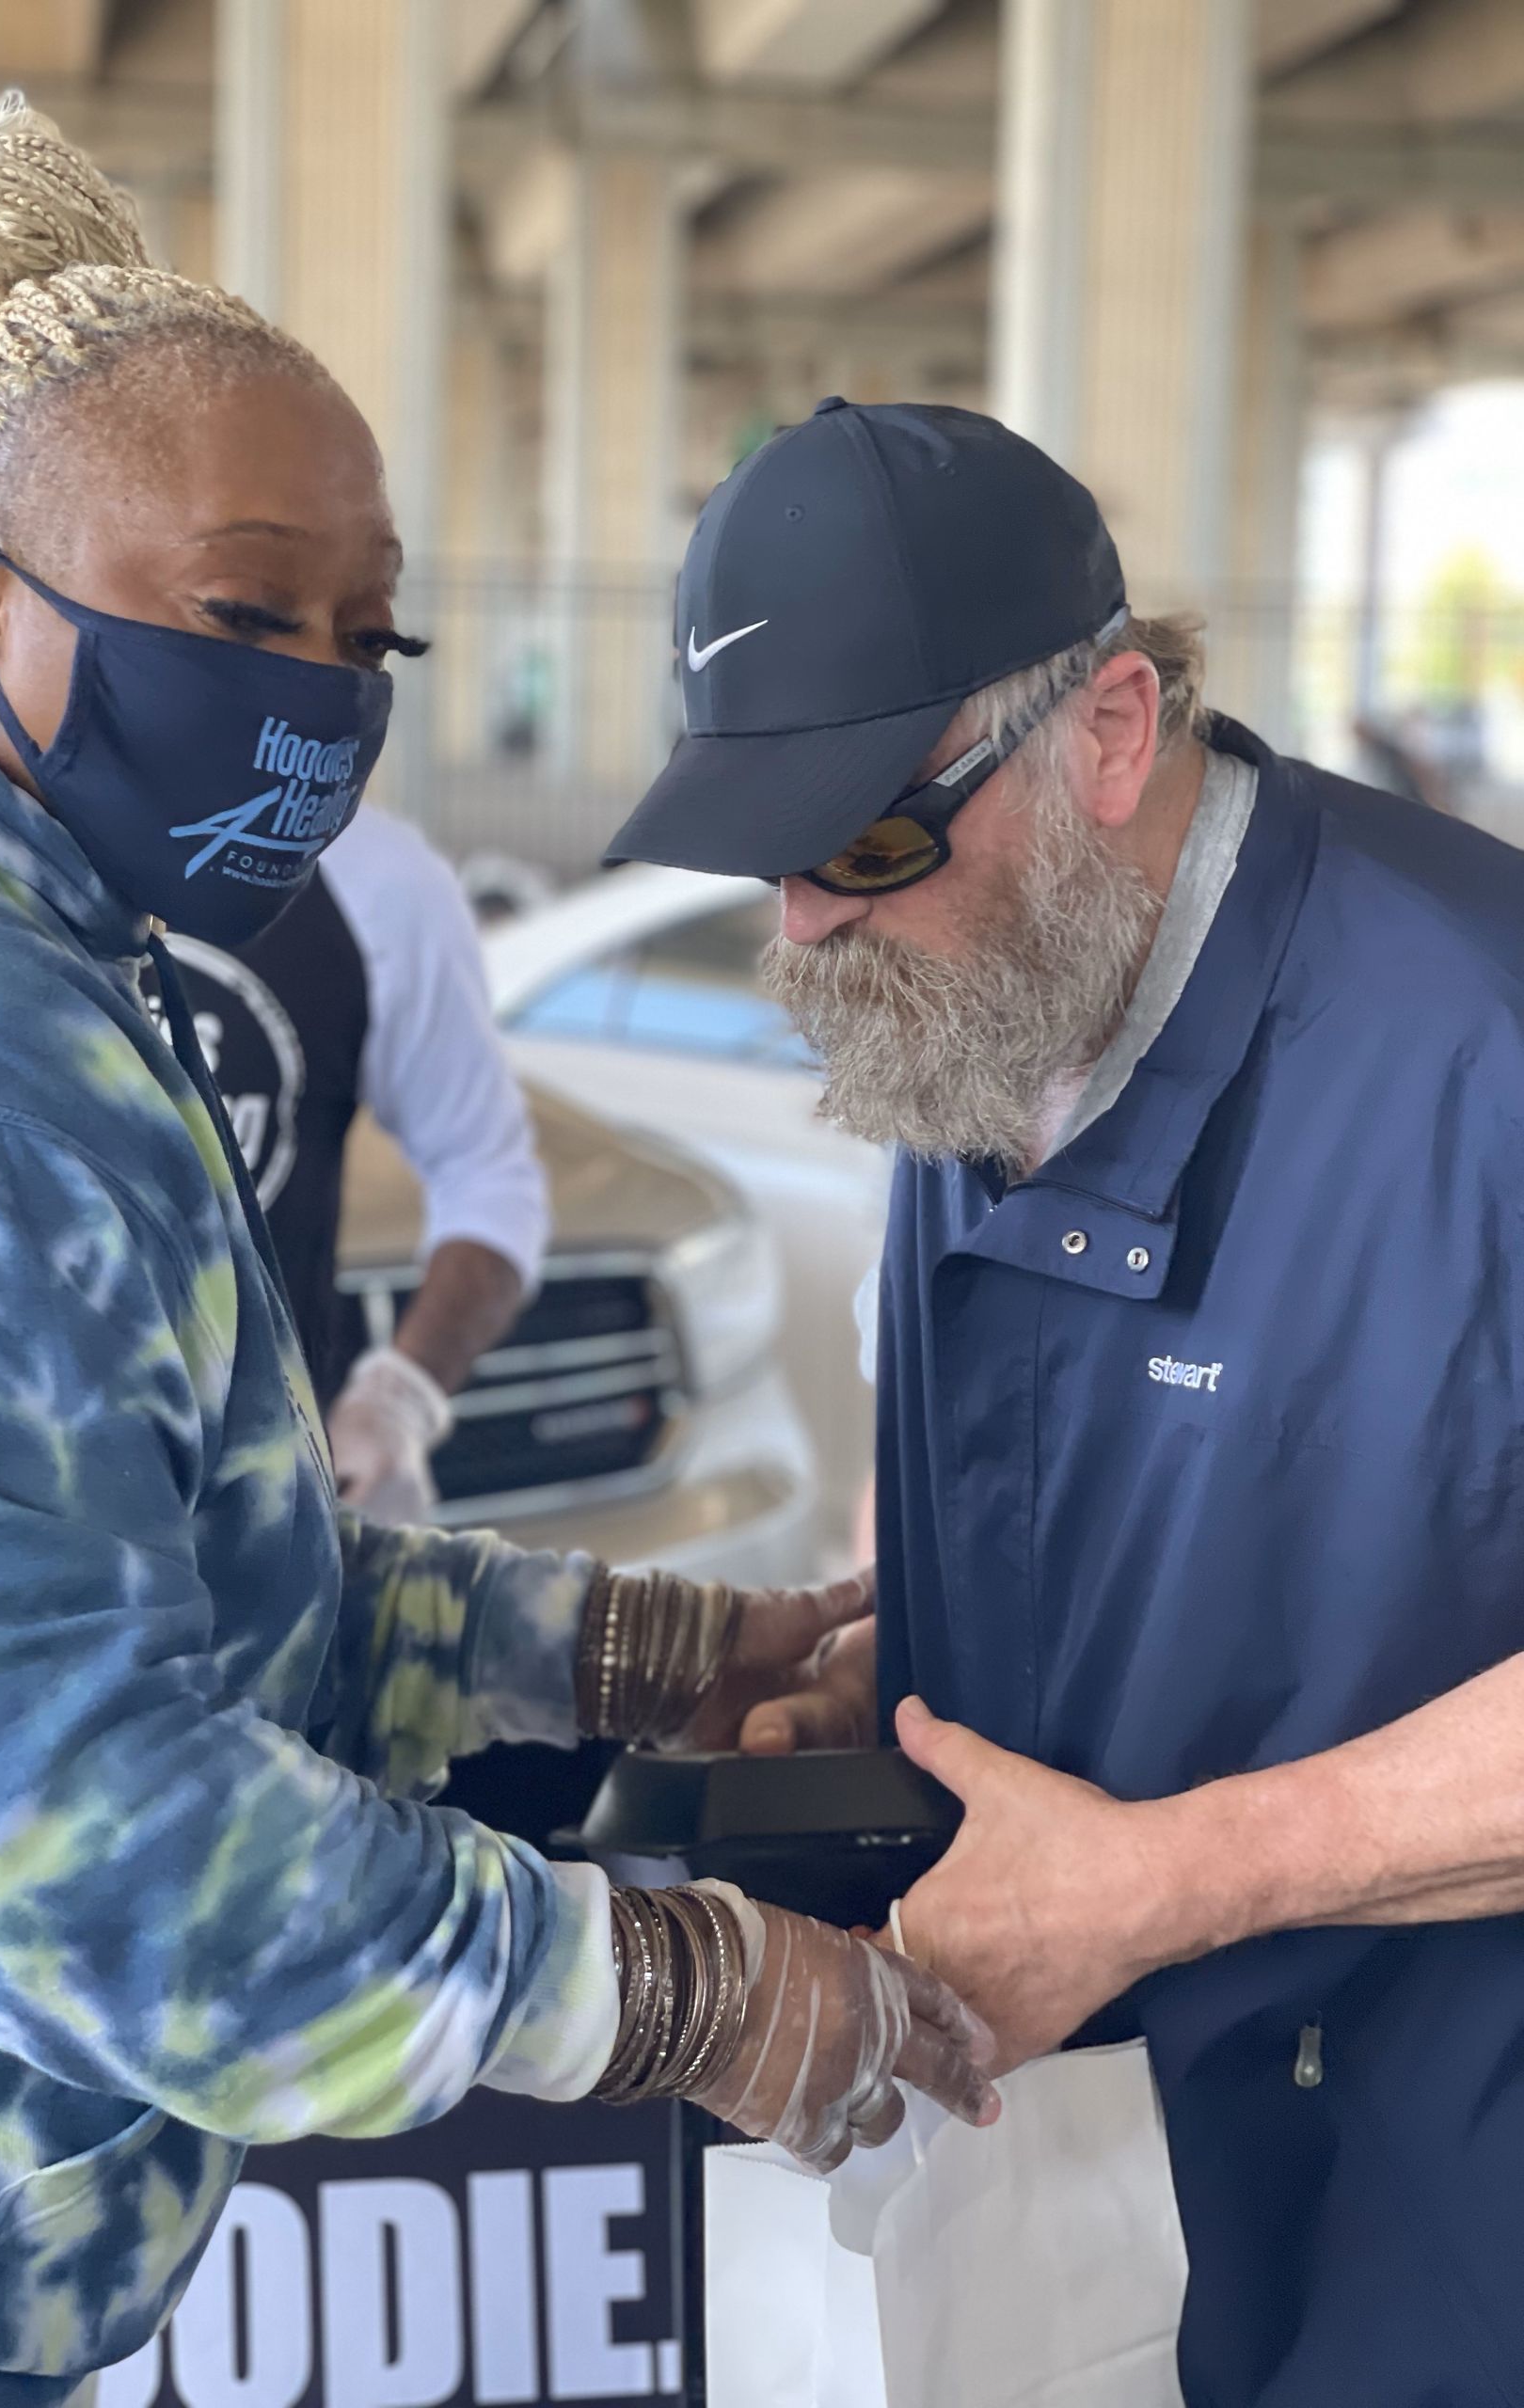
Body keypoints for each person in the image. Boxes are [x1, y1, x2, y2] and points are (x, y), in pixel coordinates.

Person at [0, 121, 993, 2404]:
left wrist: (623, 1639)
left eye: (364, 630)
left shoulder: (30, 969)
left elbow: (182, 1579)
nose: (315, 693)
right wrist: (678, 1990)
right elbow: (56, 1824)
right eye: (237, 612)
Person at [609, 395, 1524, 2406]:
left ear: (1111, 728)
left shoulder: (1485, 1049)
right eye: (767, 858)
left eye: (861, 840)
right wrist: (908, 1678)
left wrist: (1172, 1874)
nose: (805, 933)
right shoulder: (986, 994)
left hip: (1443, 2232)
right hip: (1090, 2207)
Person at [159, 801, 548, 1524]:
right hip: (9, 1509)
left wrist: (398, 1399)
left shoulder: (375, 877)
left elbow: (488, 1175)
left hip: (268, 1518)